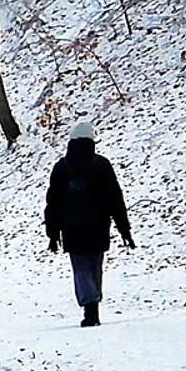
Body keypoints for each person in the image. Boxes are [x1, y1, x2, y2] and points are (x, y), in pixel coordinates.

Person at [43, 118, 134, 327]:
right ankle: (94, 307)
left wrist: (53, 234)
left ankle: (89, 306)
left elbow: (53, 202)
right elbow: (115, 199)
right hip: (98, 226)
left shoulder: (61, 167)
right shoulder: (101, 165)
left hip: (71, 228)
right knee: (95, 267)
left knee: (80, 268)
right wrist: (124, 230)